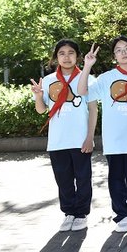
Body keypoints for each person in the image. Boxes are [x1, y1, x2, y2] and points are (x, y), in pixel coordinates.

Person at [78, 36, 127, 233]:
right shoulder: (105, 78)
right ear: (114, 56)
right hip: (114, 140)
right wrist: (87, 66)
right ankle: (121, 214)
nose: (123, 52)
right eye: (119, 50)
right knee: (116, 179)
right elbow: (82, 91)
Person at [30, 39, 97, 232]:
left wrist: (89, 137)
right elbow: (42, 110)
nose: (66, 57)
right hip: (57, 141)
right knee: (63, 179)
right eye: (62, 53)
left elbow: (93, 110)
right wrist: (37, 95)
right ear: (56, 57)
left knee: (83, 178)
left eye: (71, 53)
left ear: (77, 56)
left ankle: (81, 214)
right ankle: (69, 213)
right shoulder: (49, 80)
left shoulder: (87, 78)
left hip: (80, 139)